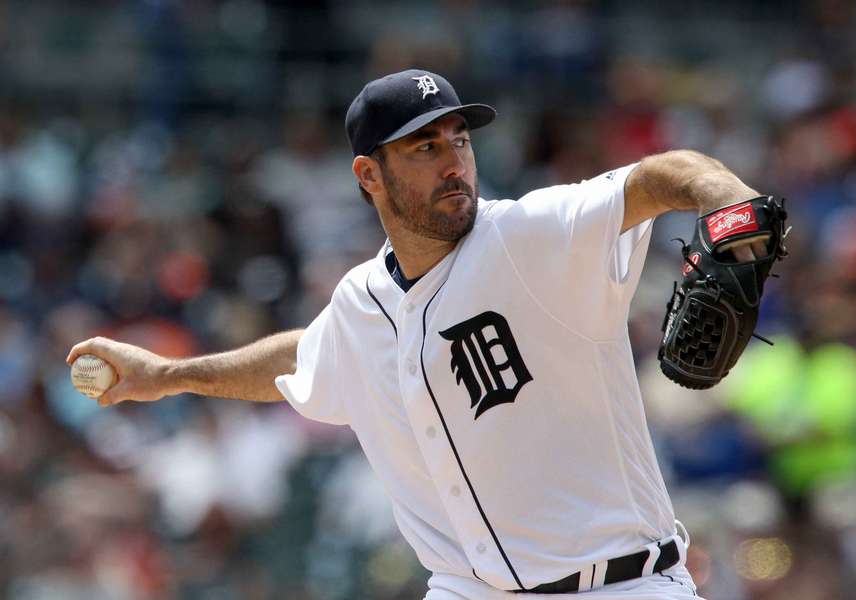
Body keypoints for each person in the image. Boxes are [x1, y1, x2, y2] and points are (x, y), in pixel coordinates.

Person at [68, 69, 770, 599]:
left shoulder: (528, 236)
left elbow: (664, 176)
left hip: (623, 584)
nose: (452, 161)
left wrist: (733, 210)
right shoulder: (360, 303)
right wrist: (168, 375)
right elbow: (301, 359)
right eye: (424, 146)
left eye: (459, 140)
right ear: (368, 174)